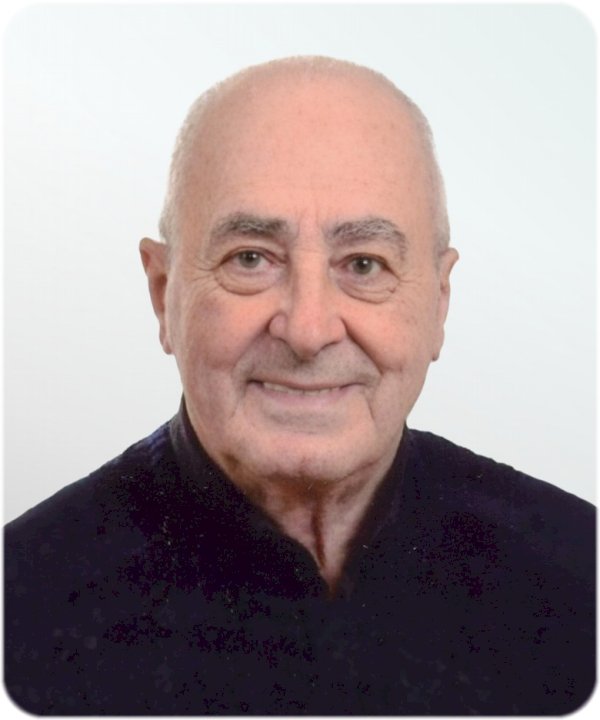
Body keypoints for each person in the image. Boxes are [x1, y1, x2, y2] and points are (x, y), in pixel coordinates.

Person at [4, 56, 594, 715]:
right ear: (163, 293)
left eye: (364, 264)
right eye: (251, 259)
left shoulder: (578, 571)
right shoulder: (21, 602)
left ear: (439, 302)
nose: (309, 331)